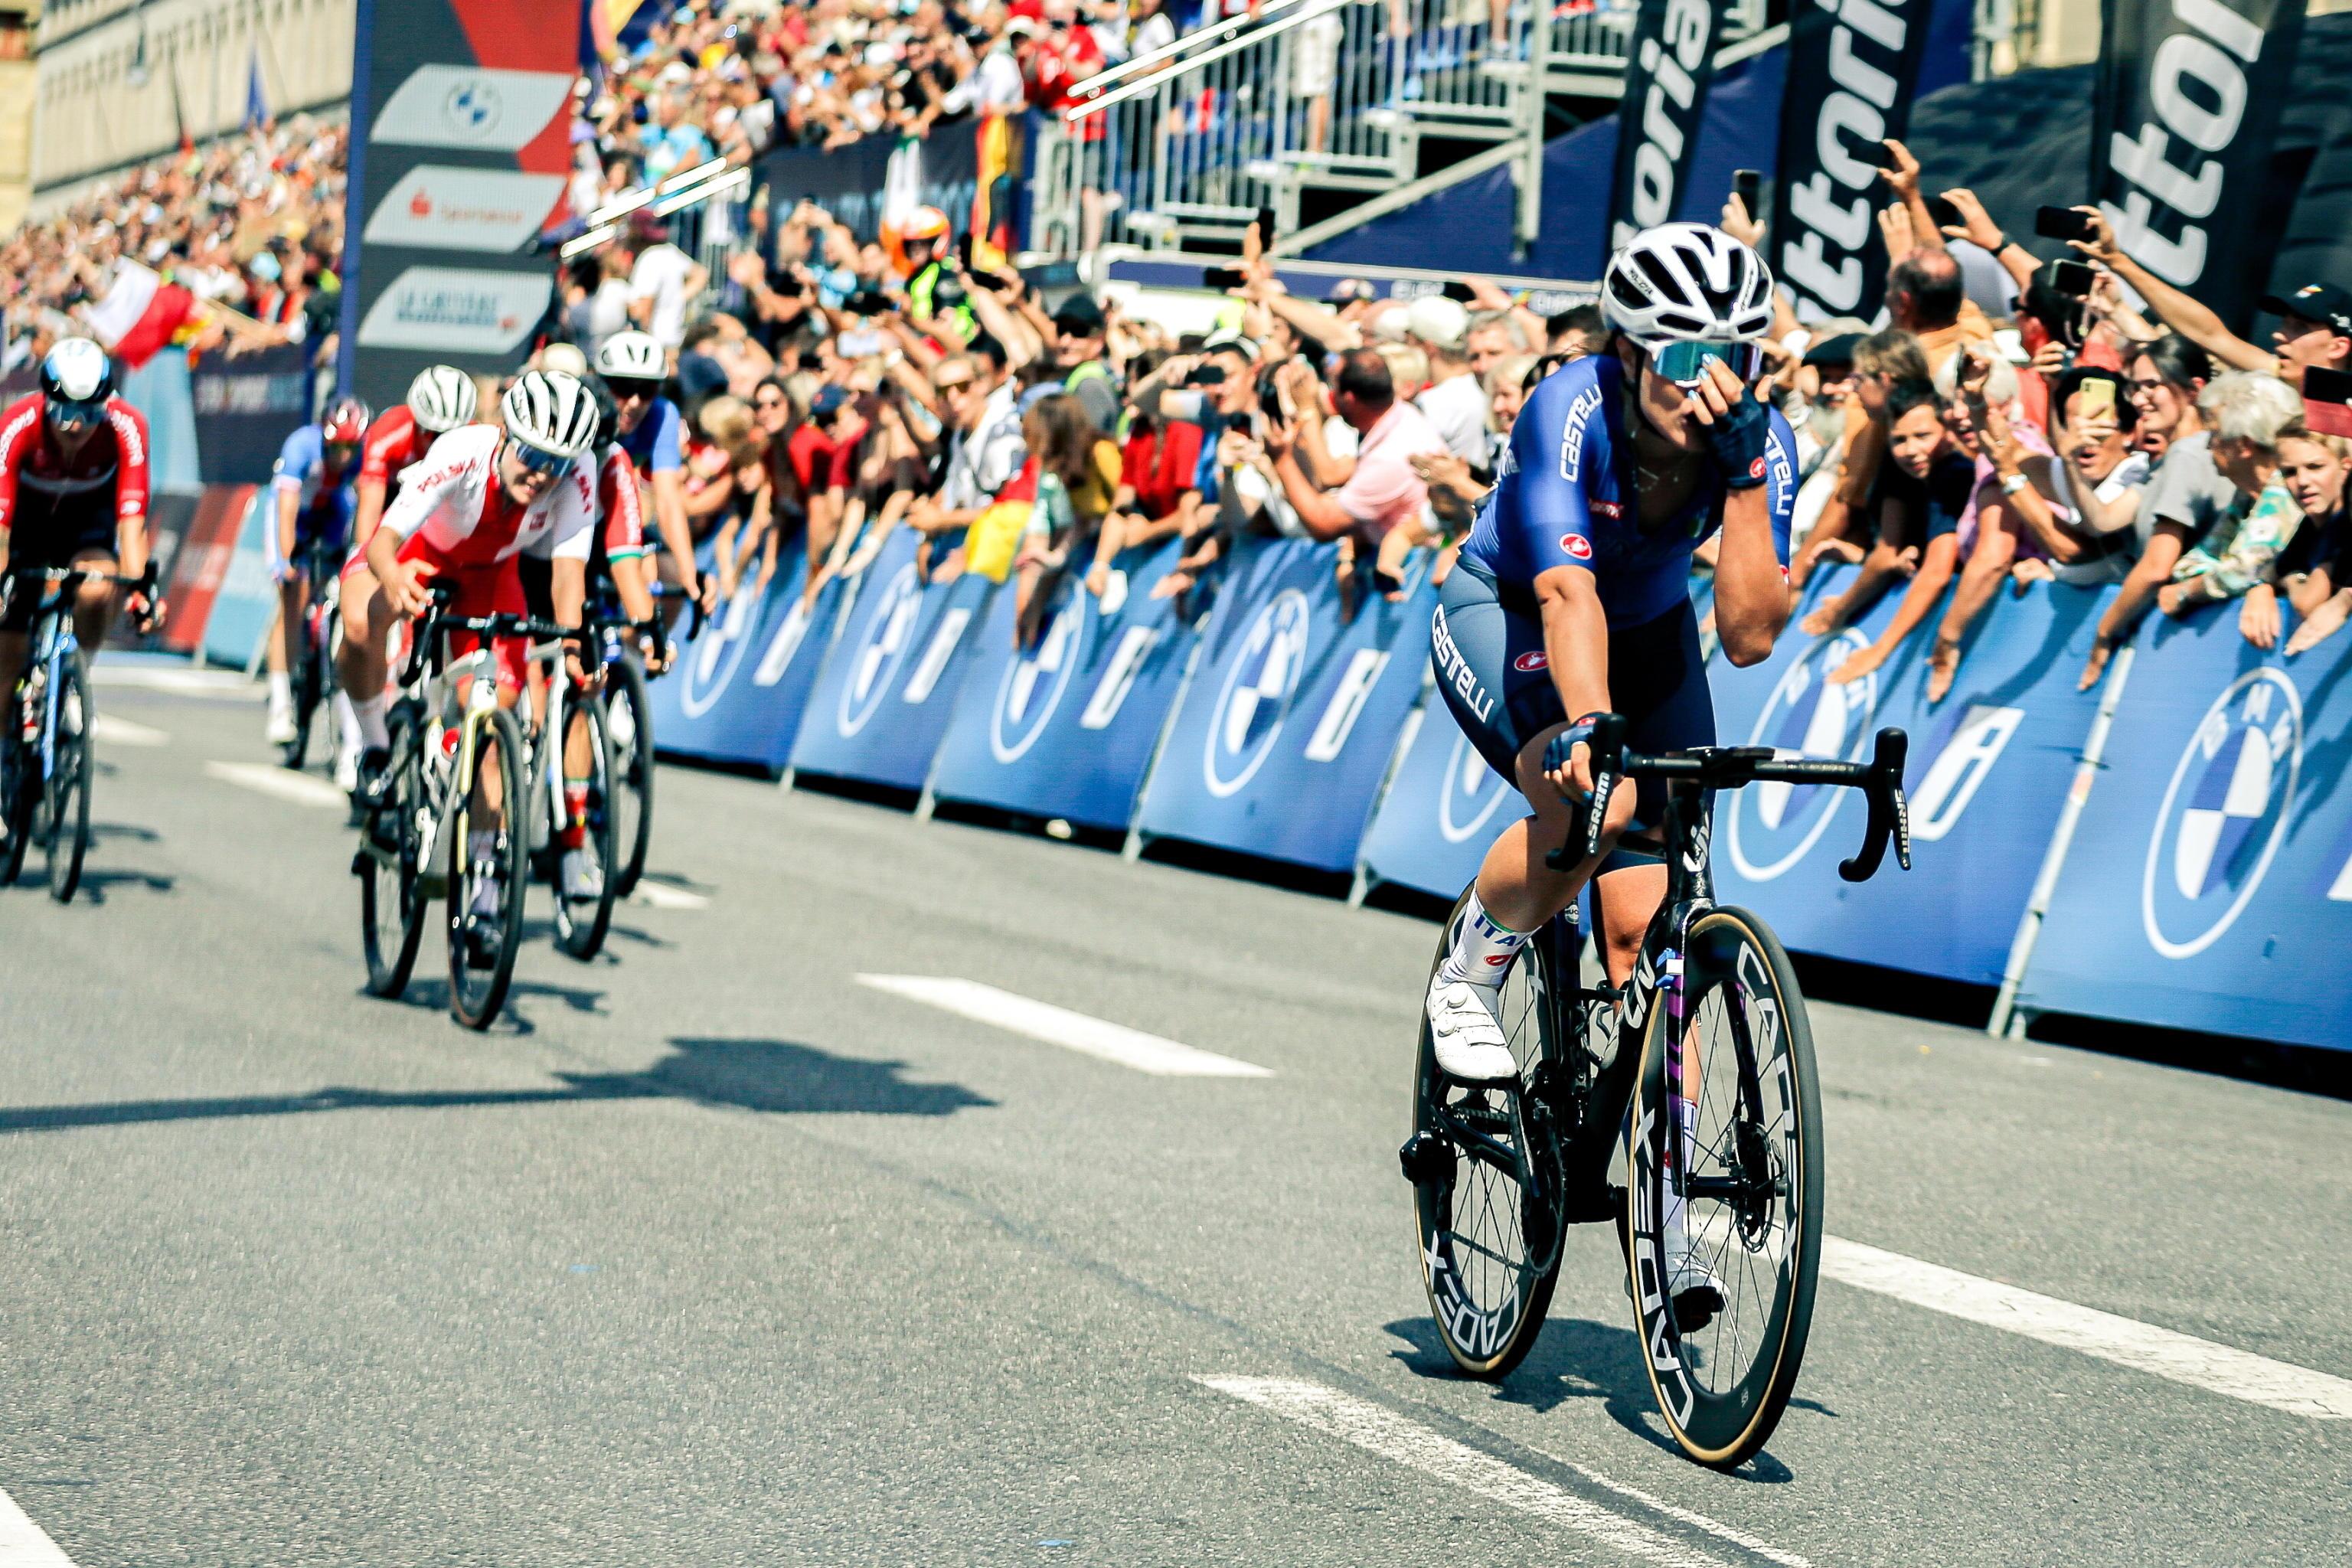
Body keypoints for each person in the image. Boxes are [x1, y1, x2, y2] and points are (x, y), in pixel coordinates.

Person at [1420, 225, 1794, 1323]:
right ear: (1627, 353)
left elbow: (1748, 636)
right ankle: (1472, 966)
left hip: (1654, 633)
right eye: (1682, 355)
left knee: (1651, 931)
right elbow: (1565, 594)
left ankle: (1667, 1220)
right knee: (1597, 795)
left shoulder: (1759, 437)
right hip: (1511, 610)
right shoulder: (1566, 408)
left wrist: (1744, 479)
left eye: (1736, 355)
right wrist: (1587, 726)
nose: (1709, 381)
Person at [346, 373, 601, 959]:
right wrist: (393, 579)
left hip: (491, 576)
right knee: (359, 625)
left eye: (557, 464)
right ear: (506, 435)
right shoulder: (462, 451)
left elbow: (568, 575)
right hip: (419, 558)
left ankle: (483, 902)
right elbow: (383, 540)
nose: (542, 474)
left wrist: (570, 650)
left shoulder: (577, 472)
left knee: (493, 729)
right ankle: (377, 748)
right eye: (533, 456)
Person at [0, 338, 162, 721]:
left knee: (98, 586)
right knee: (7, 660)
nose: (75, 425)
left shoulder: (127, 426)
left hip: (88, 527)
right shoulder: (16, 426)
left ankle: (76, 675)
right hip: (25, 530)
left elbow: (131, 524)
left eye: (89, 414)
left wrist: (141, 592)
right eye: (63, 412)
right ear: (46, 401)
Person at [2154, 373, 2311, 620]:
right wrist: (2244, 581)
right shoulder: (2246, 497)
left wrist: (2187, 592)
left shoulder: (2289, 492)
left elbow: (2244, 571)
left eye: (2214, 436)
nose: (2208, 447)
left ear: (2244, 445)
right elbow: (2193, 564)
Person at [262, 395, 369, 749]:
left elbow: (365, 502)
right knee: (293, 598)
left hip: (331, 513)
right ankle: (280, 704)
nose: (343, 457)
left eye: (350, 449)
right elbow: (287, 509)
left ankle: (323, 631)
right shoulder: (301, 446)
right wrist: (288, 561)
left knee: (341, 580)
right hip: (295, 516)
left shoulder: (363, 454)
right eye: (336, 448)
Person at [595, 330, 714, 625]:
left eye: (647, 390)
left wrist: (689, 574)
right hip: (570, 512)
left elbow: (669, 502)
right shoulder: (588, 408)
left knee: (666, 574)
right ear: (602, 384)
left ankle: (637, 646)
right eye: (624, 388)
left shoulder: (663, 414)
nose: (635, 402)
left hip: (611, 512)